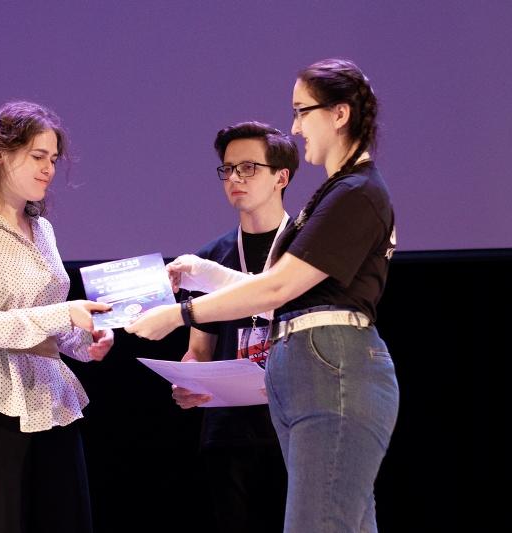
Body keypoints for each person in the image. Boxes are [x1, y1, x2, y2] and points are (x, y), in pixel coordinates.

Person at [126, 58, 399, 533]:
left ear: (339, 114)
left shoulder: (356, 192)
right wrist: (204, 272)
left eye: (302, 111)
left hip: (333, 369)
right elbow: (279, 291)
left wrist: (180, 314)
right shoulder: (337, 192)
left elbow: (278, 287)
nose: (295, 127)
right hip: (311, 371)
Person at [0, 101, 114, 533]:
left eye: (53, 159)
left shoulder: (43, 230)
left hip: (50, 396)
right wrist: (63, 314)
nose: (49, 169)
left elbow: (51, 318)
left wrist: (86, 341)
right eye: (37, 156)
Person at [171, 121, 297, 533]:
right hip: (229, 433)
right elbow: (199, 350)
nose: (235, 178)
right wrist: (189, 378)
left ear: (281, 177)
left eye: (248, 168)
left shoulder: (306, 249)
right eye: (228, 169)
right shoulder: (210, 257)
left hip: (295, 426)